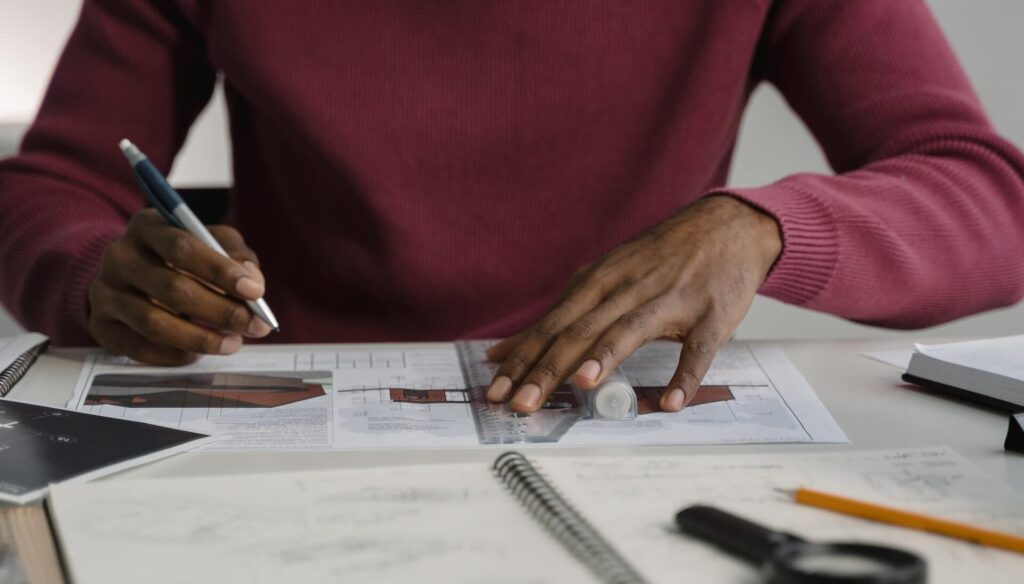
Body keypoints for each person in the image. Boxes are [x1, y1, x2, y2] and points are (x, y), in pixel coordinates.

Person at [0, 1, 1022, 415]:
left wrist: (762, 227)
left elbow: (989, 194)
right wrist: (102, 275)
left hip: (625, 428)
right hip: (306, 428)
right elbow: (51, 188)